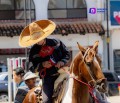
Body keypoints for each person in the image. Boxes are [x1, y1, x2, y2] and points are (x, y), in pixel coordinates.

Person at [19, 20, 70, 103]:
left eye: (39, 38)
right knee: (46, 101)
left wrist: (62, 62)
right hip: (48, 77)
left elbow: (67, 54)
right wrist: (42, 65)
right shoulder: (33, 51)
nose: (38, 41)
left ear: (44, 35)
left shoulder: (56, 42)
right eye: (36, 39)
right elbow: (31, 67)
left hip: (64, 71)